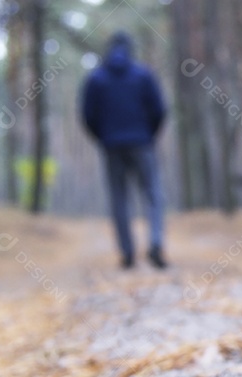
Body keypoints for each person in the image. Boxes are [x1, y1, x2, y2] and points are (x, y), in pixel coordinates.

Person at [81, 31, 168, 269]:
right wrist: (148, 136)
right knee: (153, 195)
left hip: (112, 146)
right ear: (131, 49)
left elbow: (88, 116)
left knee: (119, 199)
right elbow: (159, 110)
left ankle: (127, 253)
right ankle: (155, 243)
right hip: (142, 143)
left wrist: (103, 137)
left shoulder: (96, 79)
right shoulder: (143, 75)